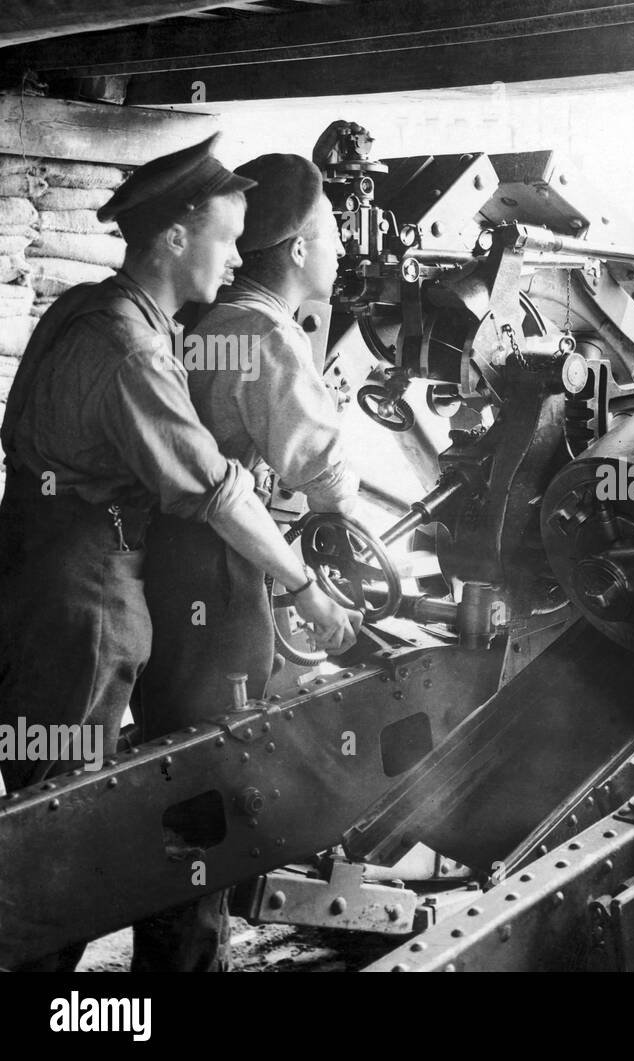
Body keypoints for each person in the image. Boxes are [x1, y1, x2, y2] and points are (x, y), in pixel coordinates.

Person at [0, 134, 361, 972]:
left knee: (47, 798)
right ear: (173, 237)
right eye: (227, 237)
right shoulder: (133, 350)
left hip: (36, 567)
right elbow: (216, 488)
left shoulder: (86, 308)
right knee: (66, 820)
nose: (238, 257)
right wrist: (304, 584)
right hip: (84, 592)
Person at [132, 154, 362, 972]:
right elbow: (322, 468)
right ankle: (185, 961)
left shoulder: (200, 323)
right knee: (211, 776)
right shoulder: (263, 333)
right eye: (334, 233)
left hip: (170, 573)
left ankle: (176, 949)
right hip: (221, 580)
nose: (344, 251)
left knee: (174, 768)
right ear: (299, 249)